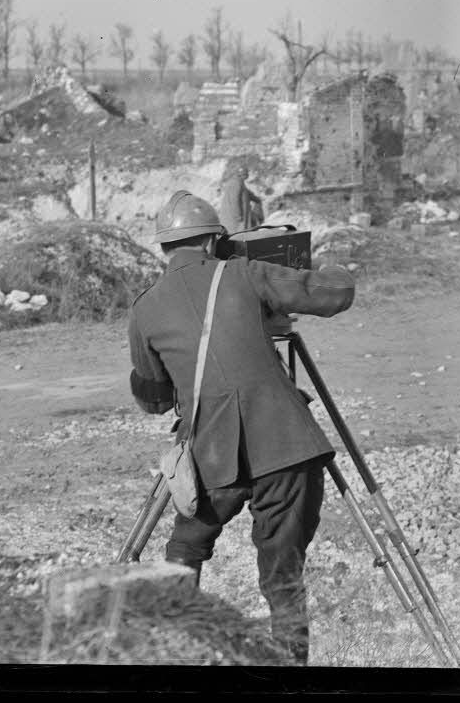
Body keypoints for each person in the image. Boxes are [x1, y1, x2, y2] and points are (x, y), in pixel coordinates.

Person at [127, 190, 356, 665]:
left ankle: (179, 647)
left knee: (186, 544)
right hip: (286, 449)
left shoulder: (145, 309)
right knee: (281, 573)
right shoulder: (245, 273)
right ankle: (291, 668)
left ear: (165, 248)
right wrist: (334, 270)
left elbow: (152, 399)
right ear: (215, 242)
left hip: (212, 457)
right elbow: (333, 295)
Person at [218, 161, 265, 235]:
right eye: (246, 173)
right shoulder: (236, 183)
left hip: (239, 216)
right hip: (235, 217)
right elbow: (234, 200)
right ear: (241, 174)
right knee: (236, 235)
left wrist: (257, 199)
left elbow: (247, 193)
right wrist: (238, 215)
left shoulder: (239, 183)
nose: (247, 175)